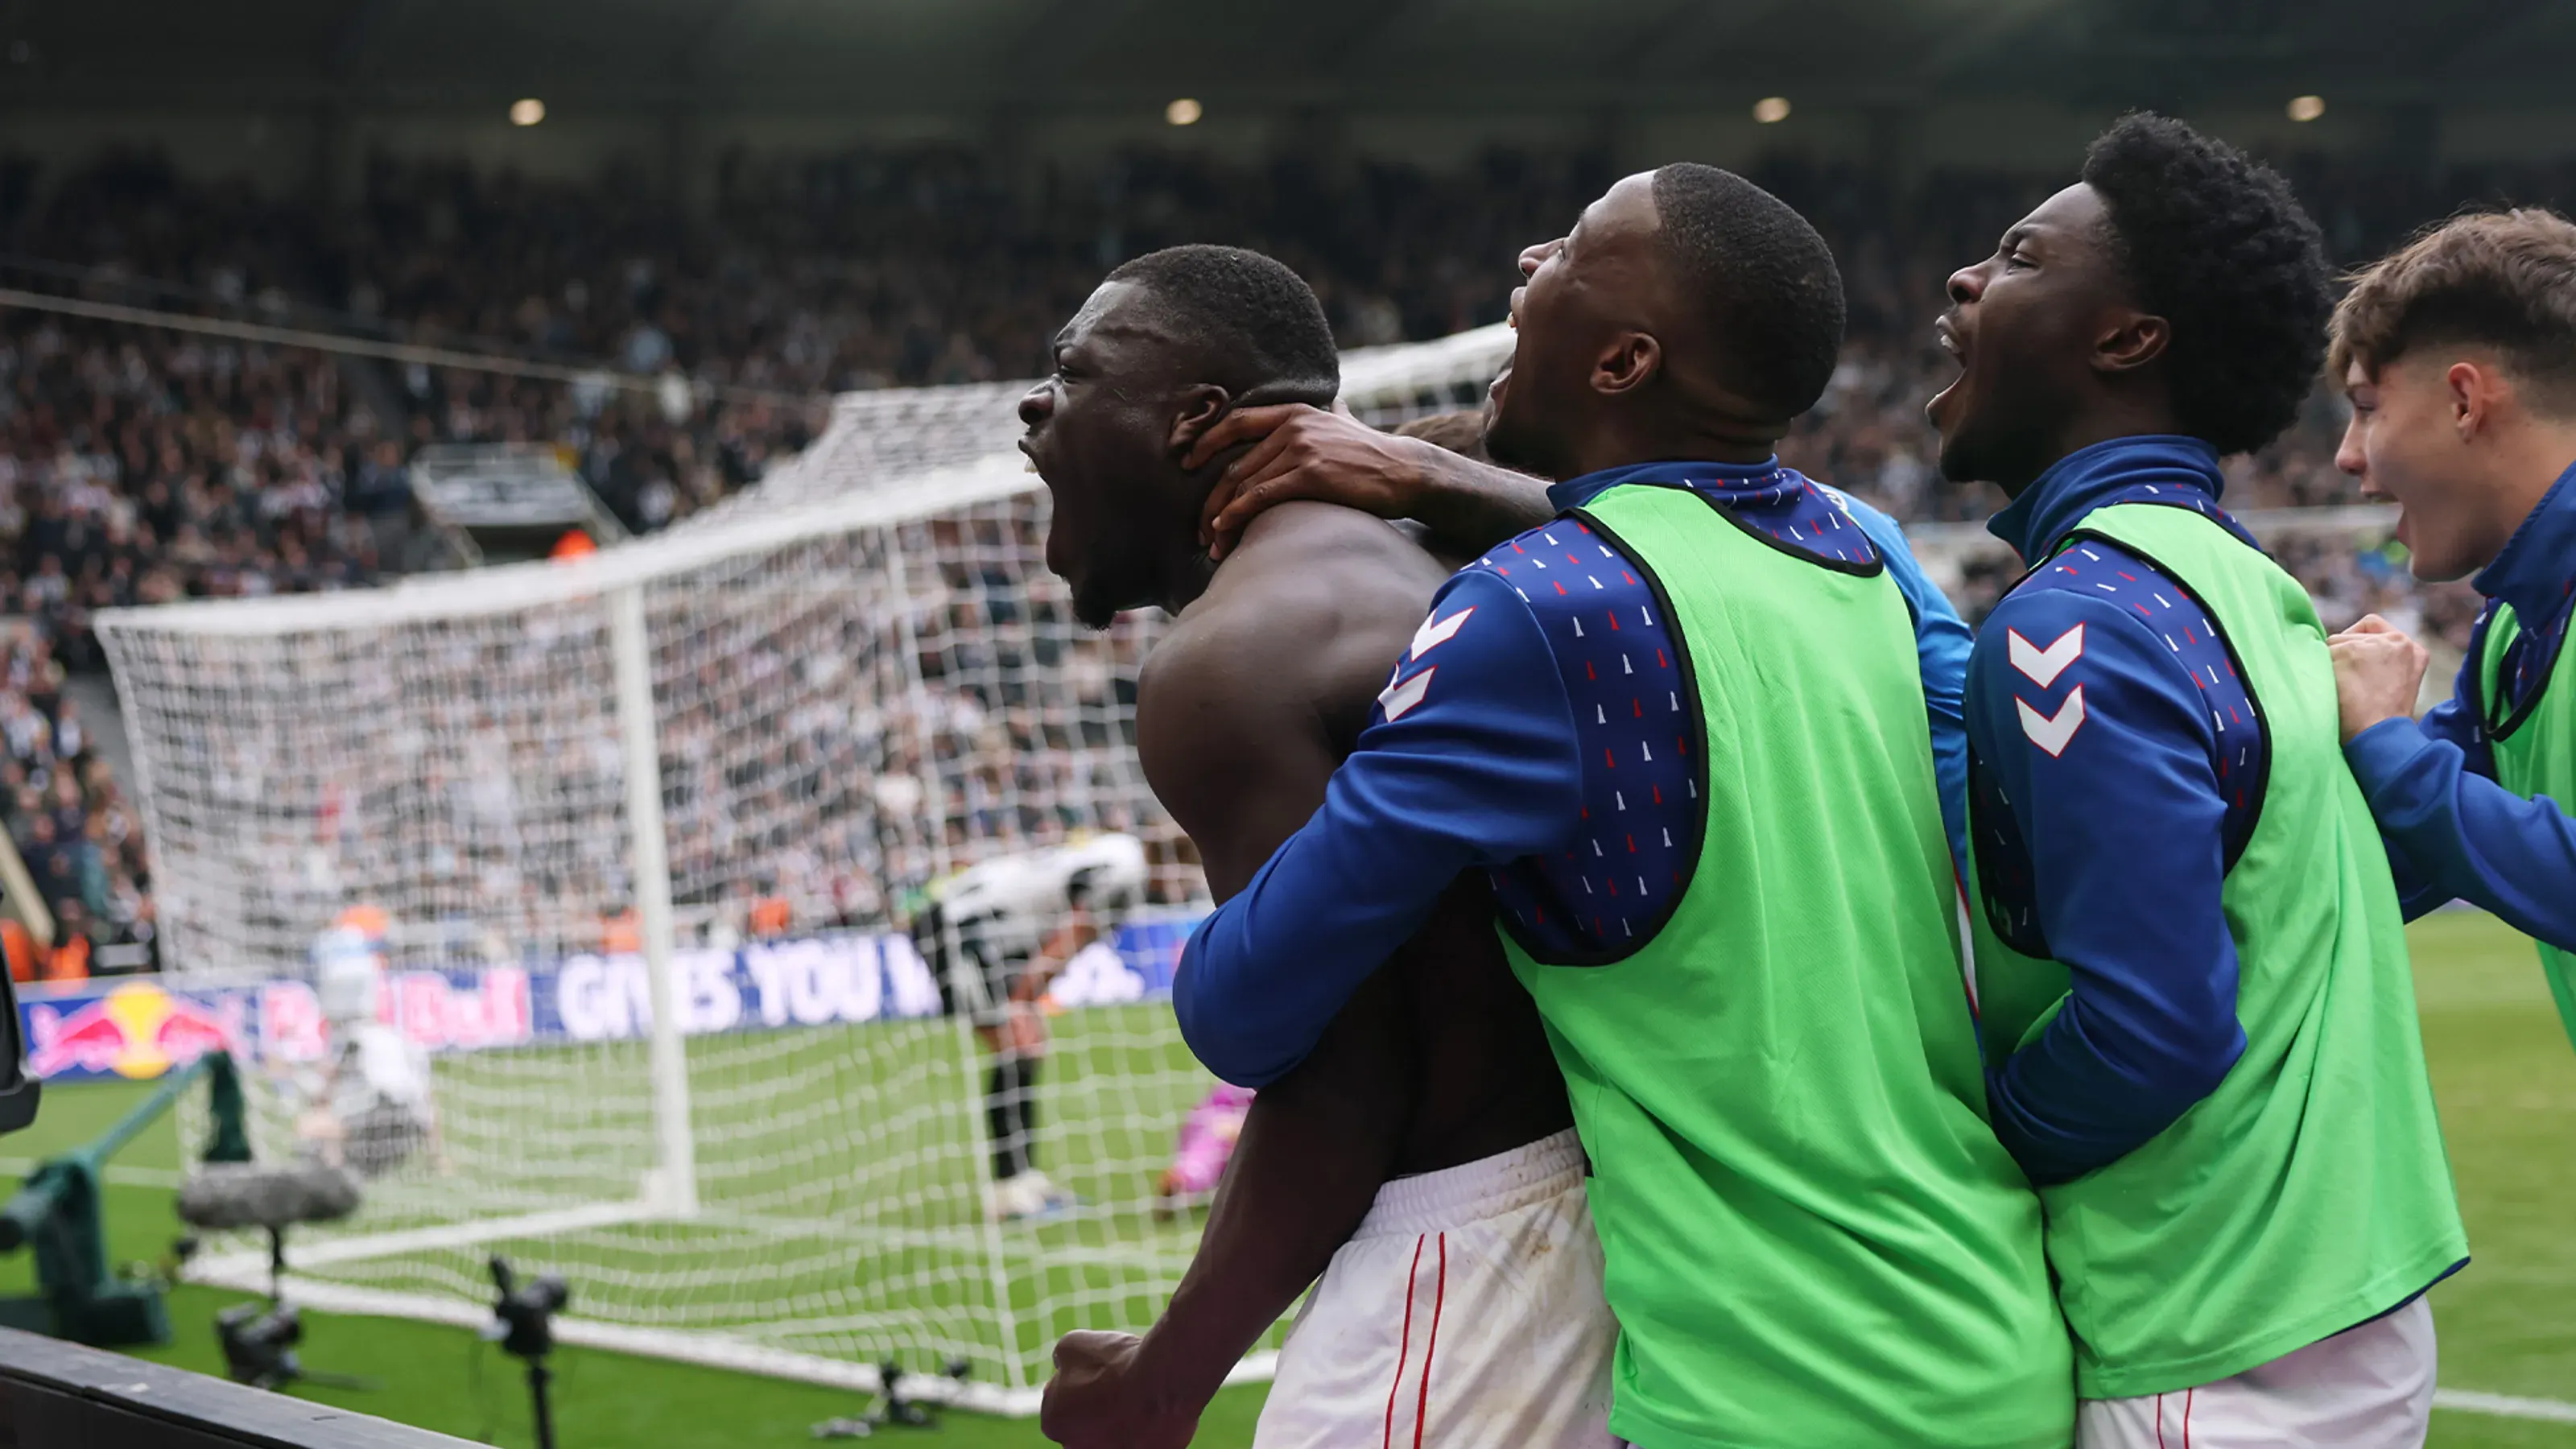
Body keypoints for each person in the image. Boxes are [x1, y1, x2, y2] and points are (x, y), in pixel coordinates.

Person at [1166, 171, 2069, 1447]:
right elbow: (1725, 528)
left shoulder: (1530, 614)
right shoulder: (1867, 563)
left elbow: (1241, 1009)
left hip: (1773, 1388)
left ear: (1625, 359)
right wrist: (1431, 474)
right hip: (1996, 1342)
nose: (1531, 258)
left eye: (1575, 249)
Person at [1926, 113, 2467, 1445]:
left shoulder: (2081, 617)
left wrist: (1968, 1159)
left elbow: (2155, 1022)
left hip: (2214, 1331)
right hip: (2319, 1302)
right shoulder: (2242, 584)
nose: (1963, 282)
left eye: (2017, 255)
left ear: (2125, 338)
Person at [1024, 245, 1612, 1449]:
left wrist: (1164, 1376)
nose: (1033, 406)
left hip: (1473, 1258)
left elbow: (1346, 1079)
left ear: (1195, 421)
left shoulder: (1235, 656)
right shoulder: (1424, 554)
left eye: (1071, 373)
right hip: (1602, 1215)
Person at [2323, 208, 2576, 1052]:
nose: (2346, 456)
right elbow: (2389, 856)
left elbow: (2410, 786)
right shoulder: (2514, 625)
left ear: (2464, 400)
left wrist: (2385, 743)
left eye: (2364, 408)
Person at [913, 831, 1146, 1222]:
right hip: (958, 926)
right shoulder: (1125, 875)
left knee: (1027, 1046)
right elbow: (1070, 938)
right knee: (1016, 1045)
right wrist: (1024, 998)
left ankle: (1024, 1179)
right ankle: (1008, 1193)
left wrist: (1026, 999)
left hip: (987, 926)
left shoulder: (1122, 850)